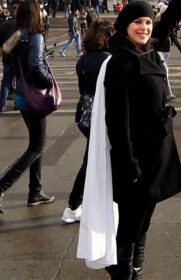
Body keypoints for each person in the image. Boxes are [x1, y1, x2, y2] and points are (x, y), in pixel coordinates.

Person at [96, 0, 181, 279]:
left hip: (157, 149)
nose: (145, 27)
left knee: (145, 214)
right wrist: (127, 162)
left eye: (148, 22)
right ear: (124, 26)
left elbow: (168, 22)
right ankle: (123, 270)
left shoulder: (148, 49)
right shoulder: (121, 63)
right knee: (132, 221)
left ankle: (134, 265)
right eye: (138, 22)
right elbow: (117, 119)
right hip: (137, 153)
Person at [0, 0, 55, 211]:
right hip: (34, 95)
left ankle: (35, 191)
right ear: (36, 15)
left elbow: (8, 56)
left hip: (21, 95)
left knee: (37, 143)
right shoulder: (35, 37)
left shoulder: (17, 36)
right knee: (37, 146)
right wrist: (48, 81)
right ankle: (0, 186)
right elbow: (35, 67)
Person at [60, 18, 114, 225]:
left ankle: (82, 204)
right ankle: (73, 205)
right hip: (101, 114)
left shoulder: (83, 59)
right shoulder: (107, 59)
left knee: (95, 158)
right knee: (93, 161)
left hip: (84, 114)